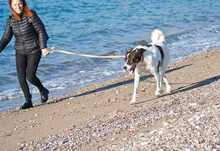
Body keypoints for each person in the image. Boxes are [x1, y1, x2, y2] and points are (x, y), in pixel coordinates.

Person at [0, 0, 50, 109]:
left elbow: (41, 30)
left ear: (23, 4)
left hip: (34, 49)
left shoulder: (31, 15)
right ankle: (28, 101)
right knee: (21, 78)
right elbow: (5, 38)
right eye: (15, 4)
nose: (18, 6)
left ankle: (42, 90)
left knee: (30, 76)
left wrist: (43, 47)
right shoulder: (11, 20)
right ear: (11, 6)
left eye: (20, 3)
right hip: (20, 51)